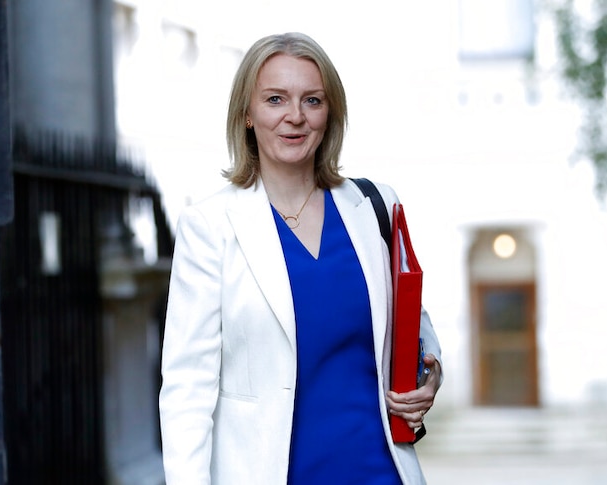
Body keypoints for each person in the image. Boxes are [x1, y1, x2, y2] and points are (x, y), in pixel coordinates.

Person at [158, 32, 442, 485]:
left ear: (330, 115)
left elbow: (415, 327)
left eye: (312, 100)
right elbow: (186, 390)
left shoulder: (373, 207)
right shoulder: (211, 226)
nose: (295, 117)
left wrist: (431, 377)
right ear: (247, 114)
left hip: (379, 470)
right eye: (275, 99)